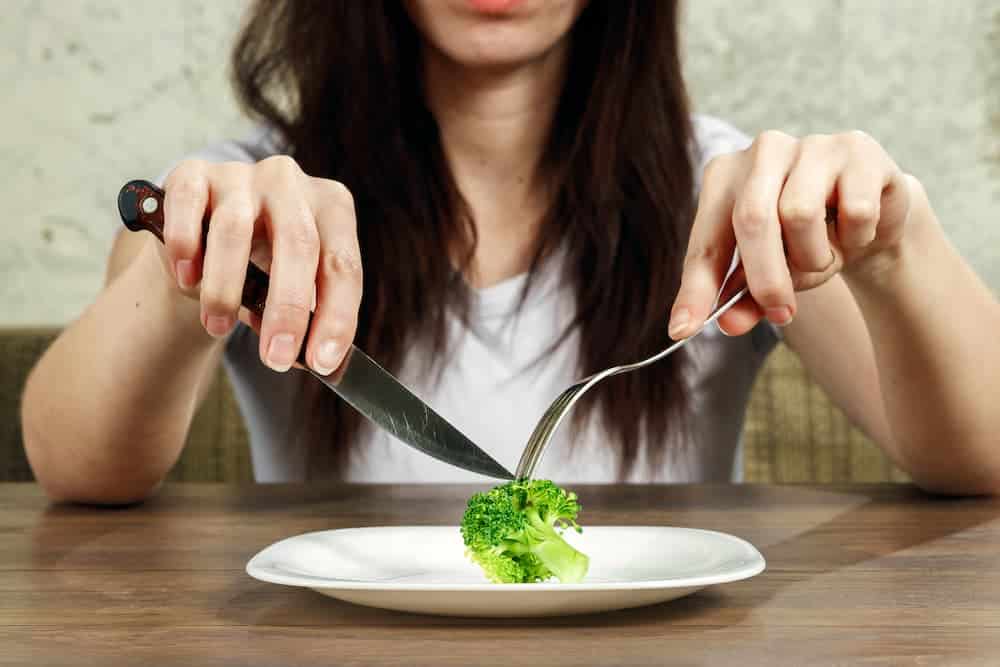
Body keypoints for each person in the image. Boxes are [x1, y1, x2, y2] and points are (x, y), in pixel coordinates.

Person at [21, 0, 1000, 503]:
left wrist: (896, 243)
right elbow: (75, 463)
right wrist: (188, 259)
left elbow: (980, 457)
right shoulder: (251, 201)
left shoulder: (727, 194)